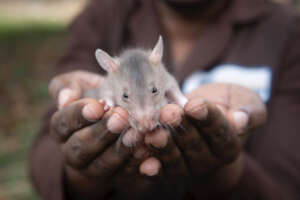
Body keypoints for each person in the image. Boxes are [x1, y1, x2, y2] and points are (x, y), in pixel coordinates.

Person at [29, 0, 300, 199]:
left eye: (155, 93)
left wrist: (226, 174)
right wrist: (82, 172)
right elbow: (44, 157)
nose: (146, 120)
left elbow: (288, 182)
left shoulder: (285, 30)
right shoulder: (100, 17)